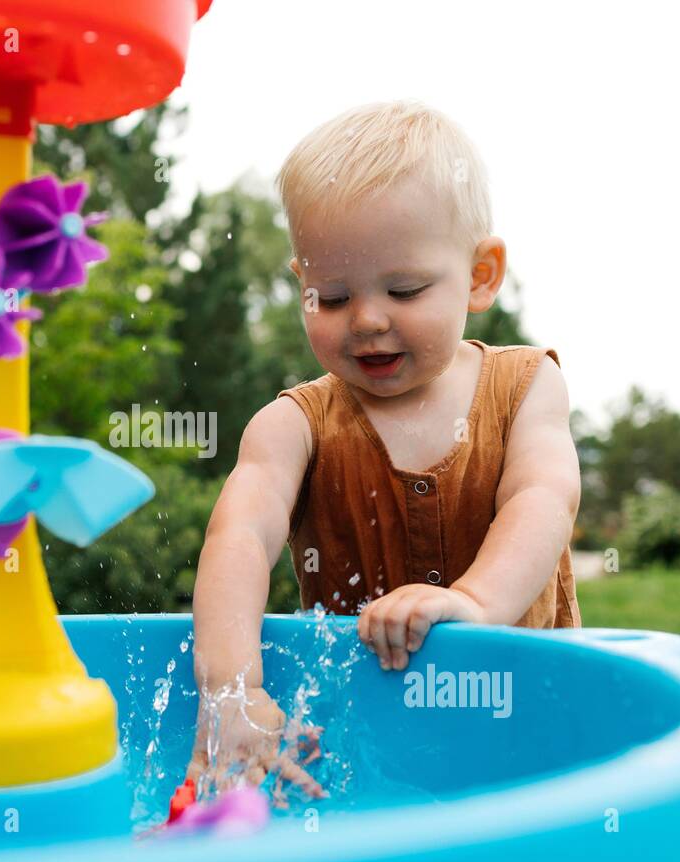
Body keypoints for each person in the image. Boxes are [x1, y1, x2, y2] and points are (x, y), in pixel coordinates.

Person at [186, 102, 582, 801]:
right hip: (363, 739)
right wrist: (233, 691)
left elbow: (542, 498)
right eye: (332, 296)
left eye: (404, 289)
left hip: (524, 719)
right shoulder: (292, 426)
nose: (367, 319)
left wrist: (475, 602)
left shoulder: (526, 387)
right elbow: (239, 537)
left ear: (482, 274)